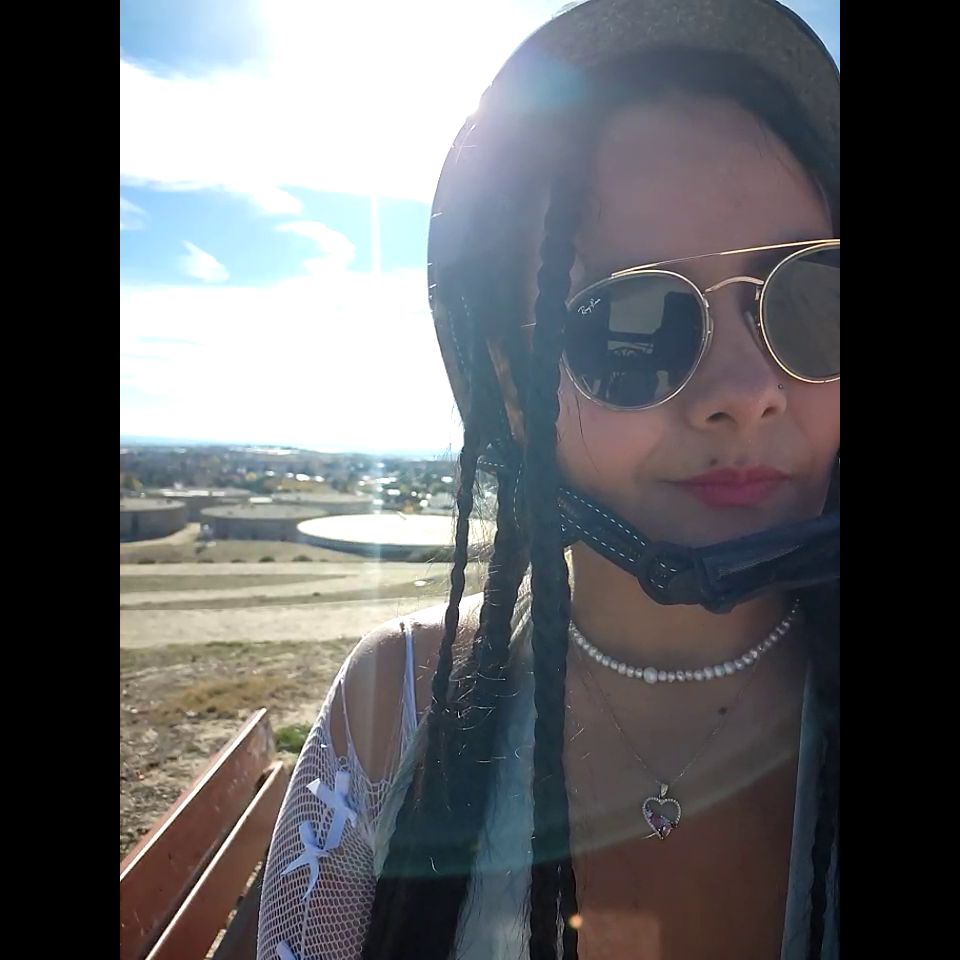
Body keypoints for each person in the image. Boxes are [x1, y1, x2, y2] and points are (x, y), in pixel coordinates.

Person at [256, 1, 840, 957]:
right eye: (634, 325)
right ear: (512, 390)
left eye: (810, 298)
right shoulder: (396, 712)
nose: (748, 392)